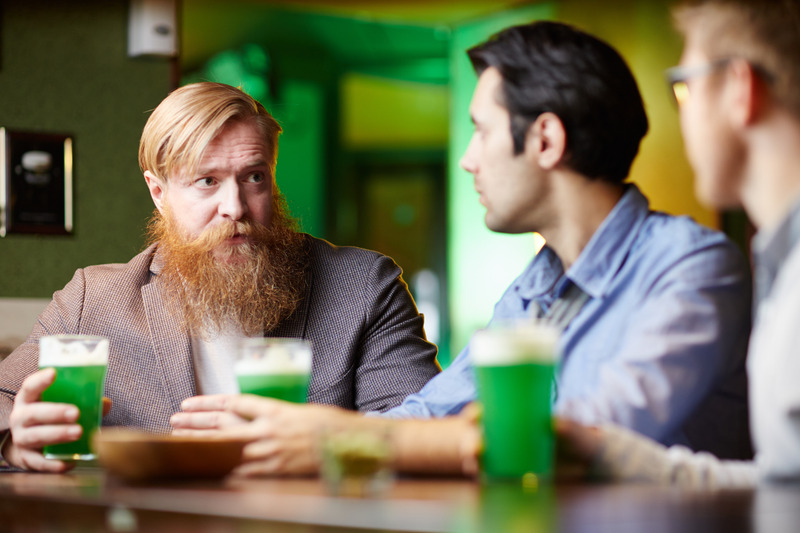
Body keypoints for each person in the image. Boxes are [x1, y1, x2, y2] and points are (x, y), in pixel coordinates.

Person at [171, 20, 753, 476]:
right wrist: (286, 436)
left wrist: (335, 437)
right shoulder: (537, 286)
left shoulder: (693, 267)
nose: (468, 159)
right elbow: (431, 411)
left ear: (545, 139)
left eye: (482, 130)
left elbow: (584, 438)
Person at [0, 82, 440, 473]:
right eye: (207, 181)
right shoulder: (93, 299)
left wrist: (317, 442)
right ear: (159, 193)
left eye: (253, 177)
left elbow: (428, 429)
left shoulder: (363, 287)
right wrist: (14, 444)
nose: (235, 207)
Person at [558, 0, 800, 488]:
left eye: (684, 90)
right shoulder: (781, 261)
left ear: (738, 88)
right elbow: (785, 482)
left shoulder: (708, 261)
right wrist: (607, 452)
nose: (682, 119)